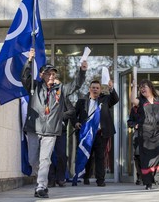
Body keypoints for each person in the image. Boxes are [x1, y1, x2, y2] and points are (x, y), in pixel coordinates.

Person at [21, 48, 88, 198]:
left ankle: (41, 186)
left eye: (53, 74)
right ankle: (41, 180)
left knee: (45, 159)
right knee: (33, 160)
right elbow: (25, 77)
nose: (52, 76)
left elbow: (76, 85)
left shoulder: (61, 90)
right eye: (49, 73)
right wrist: (29, 60)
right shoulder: (35, 87)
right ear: (41, 75)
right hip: (34, 128)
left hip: (51, 130)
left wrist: (81, 71)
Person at [130, 79, 159, 190]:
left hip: (158, 133)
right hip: (144, 134)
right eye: (141, 87)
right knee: (146, 159)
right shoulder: (140, 101)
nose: (142, 89)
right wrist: (133, 87)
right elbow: (132, 99)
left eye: (145, 86)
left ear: (150, 87)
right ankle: (148, 183)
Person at [74, 80, 119, 187]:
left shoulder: (105, 99)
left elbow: (115, 99)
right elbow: (74, 114)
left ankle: (100, 180)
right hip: (86, 134)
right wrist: (75, 123)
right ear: (89, 89)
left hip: (100, 133)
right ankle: (86, 176)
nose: (95, 89)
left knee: (100, 157)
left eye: (97, 88)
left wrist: (111, 89)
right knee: (87, 156)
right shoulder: (82, 101)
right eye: (93, 87)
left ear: (100, 90)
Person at [48, 95, 75, 188]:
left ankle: (60, 178)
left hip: (61, 131)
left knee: (62, 155)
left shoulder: (64, 98)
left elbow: (72, 111)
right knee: (48, 155)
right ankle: (51, 179)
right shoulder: (45, 96)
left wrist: (60, 116)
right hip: (48, 130)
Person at [127, 105, 142, 185]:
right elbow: (129, 122)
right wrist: (135, 125)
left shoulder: (151, 106)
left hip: (149, 135)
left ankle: (149, 176)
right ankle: (139, 176)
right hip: (137, 136)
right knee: (137, 156)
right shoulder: (134, 109)